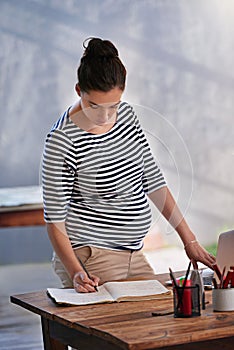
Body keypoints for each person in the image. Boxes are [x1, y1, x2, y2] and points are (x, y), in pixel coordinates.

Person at [42, 37, 216, 293]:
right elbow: (54, 220)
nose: (104, 116)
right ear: (79, 91)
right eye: (95, 106)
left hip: (134, 253)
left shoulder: (126, 116)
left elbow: (152, 180)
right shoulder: (62, 141)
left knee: (163, 315)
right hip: (92, 257)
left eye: (113, 105)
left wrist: (188, 239)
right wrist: (76, 272)